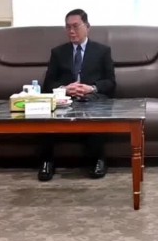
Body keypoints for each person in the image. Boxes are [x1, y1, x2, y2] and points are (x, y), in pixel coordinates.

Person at [37, 9, 116, 181]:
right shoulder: (58, 53)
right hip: (65, 98)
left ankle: (98, 160)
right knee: (47, 113)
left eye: (75, 26)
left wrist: (92, 88)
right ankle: (46, 162)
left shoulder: (102, 51)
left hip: (91, 97)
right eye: (68, 27)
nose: (71, 31)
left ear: (87, 27)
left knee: (95, 111)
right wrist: (64, 89)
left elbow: (111, 82)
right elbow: (48, 84)